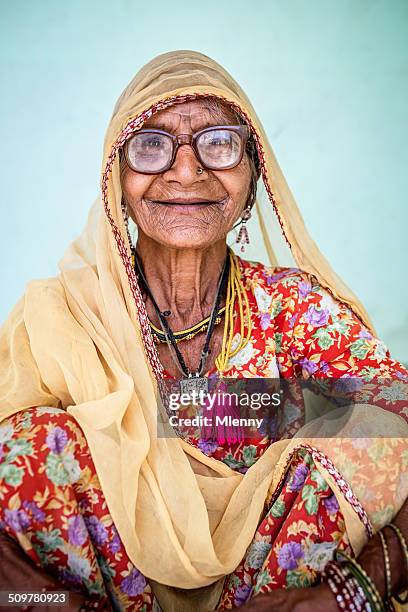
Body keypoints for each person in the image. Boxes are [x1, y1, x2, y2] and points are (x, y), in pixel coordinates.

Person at [0, 50, 407, 612]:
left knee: (381, 434)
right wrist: (36, 600)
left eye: (218, 143)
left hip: (268, 593)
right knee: (33, 443)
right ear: (115, 175)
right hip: (102, 596)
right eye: (151, 144)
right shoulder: (65, 314)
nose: (187, 172)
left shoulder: (291, 308)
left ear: (253, 171)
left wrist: (351, 593)